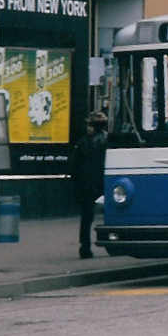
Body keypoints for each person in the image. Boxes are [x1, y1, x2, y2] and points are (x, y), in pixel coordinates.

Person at [71, 111, 108, 259]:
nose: (87, 127)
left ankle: (85, 247)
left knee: (86, 217)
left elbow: (74, 165)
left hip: (87, 184)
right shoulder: (107, 141)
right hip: (103, 182)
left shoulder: (83, 142)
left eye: (90, 125)